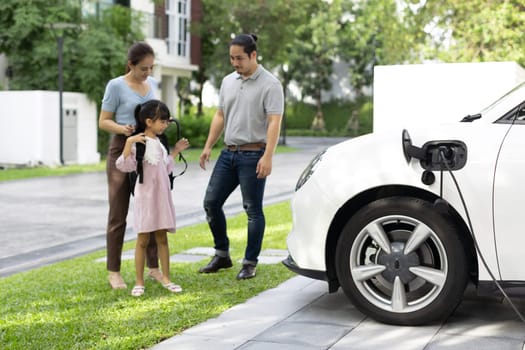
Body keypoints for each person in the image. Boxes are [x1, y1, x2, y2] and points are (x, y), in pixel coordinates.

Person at [198, 33, 284, 280]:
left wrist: (268, 156)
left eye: (239, 58)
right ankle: (222, 254)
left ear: (253, 55)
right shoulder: (228, 81)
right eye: (231, 58)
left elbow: (274, 122)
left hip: (254, 154)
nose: (235, 63)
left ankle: (249, 262)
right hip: (228, 154)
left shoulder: (271, 84)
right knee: (211, 203)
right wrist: (208, 146)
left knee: (252, 210)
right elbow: (220, 115)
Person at [99, 42, 163, 289]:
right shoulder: (115, 86)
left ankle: (154, 267)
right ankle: (114, 271)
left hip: (148, 149)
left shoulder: (154, 85)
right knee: (118, 212)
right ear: (131, 65)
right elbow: (103, 121)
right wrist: (122, 129)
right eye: (143, 68)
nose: (148, 73)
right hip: (122, 148)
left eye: (151, 68)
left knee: (151, 209)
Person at [116, 100, 190, 297]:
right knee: (142, 240)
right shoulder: (137, 143)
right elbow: (123, 165)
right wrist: (128, 142)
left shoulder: (160, 143)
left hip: (162, 197)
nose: (166, 125)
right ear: (149, 121)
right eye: (163, 121)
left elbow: (165, 168)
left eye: (167, 122)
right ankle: (139, 281)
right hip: (145, 198)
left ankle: (166, 277)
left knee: (162, 238)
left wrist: (175, 151)